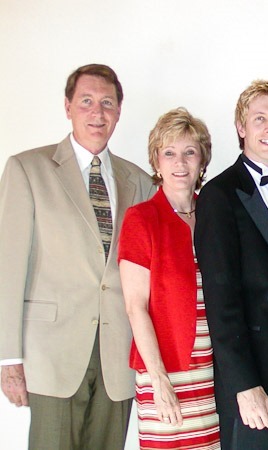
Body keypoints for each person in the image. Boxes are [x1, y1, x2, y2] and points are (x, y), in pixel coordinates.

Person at [0, 63, 154, 449]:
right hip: (52, 354)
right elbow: (8, 268)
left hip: (118, 356)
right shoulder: (28, 169)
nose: (97, 112)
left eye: (107, 103)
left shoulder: (140, 182)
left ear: (119, 111)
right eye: (86, 101)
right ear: (68, 107)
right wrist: (8, 358)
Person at [194, 80, 268, 450]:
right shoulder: (218, 195)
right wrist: (244, 384)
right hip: (251, 380)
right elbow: (220, 299)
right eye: (259, 119)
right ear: (241, 127)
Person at [118, 108, 220, 449]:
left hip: (212, 372)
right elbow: (135, 307)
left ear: (202, 161)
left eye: (190, 152)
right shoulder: (141, 219)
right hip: (165, 370)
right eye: (170, 153)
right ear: (156, 161)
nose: (180, 163)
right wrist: (159, 379)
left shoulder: (215, 215)